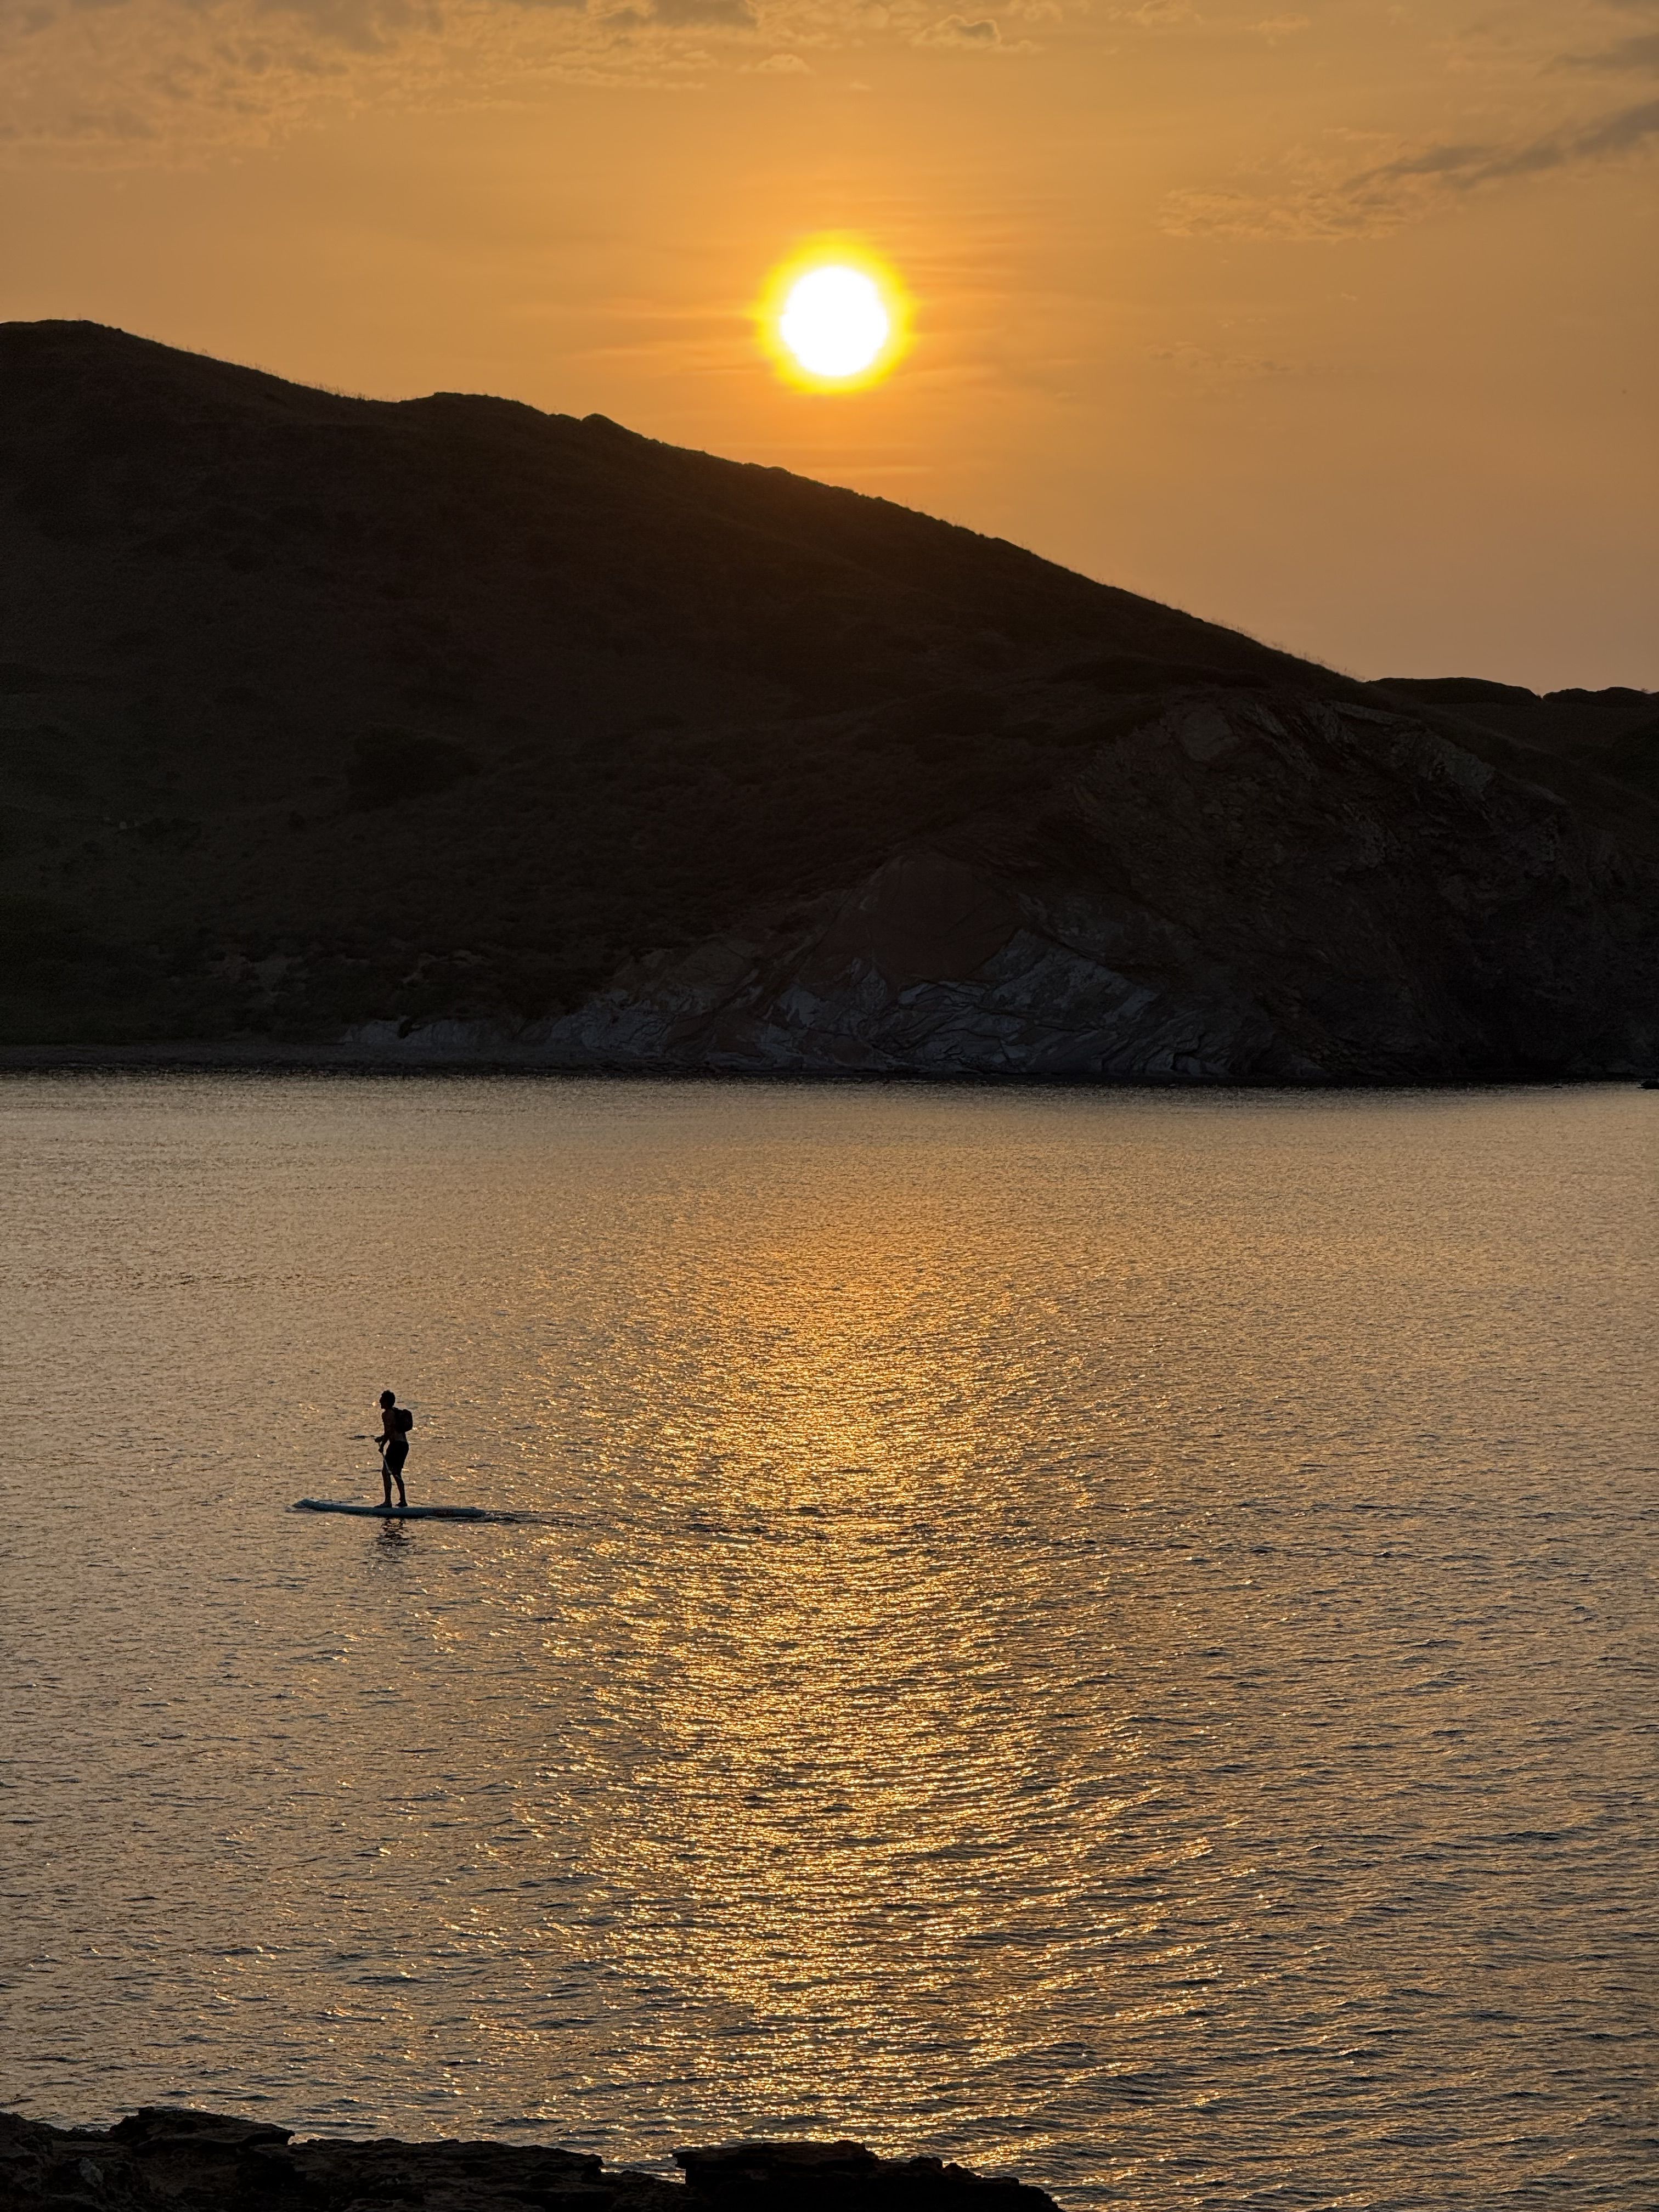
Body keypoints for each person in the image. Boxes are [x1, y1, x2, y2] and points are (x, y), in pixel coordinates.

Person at [376, 1389, 413, 1508]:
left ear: (386, 1401)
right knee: (397, 1473)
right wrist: (382, 1438)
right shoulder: (395, 1412)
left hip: (396, 1446)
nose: (380, 1401)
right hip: (404, 1446)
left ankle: (388, 1502)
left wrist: (382, 1445)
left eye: (382, 1399)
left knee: (386, 1472)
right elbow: (392, 1431)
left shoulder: (387, 1414)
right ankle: (403, 1500)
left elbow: (390, 1431)